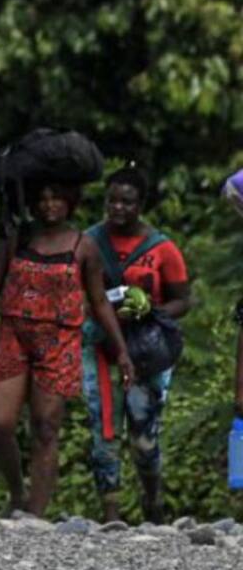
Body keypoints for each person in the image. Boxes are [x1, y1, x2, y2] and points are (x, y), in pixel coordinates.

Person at [0, 181, 134, 517]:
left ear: (70, 203)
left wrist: (122, 351)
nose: (49, 205)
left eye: (57, 198)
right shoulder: (16, 238)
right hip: (13, 334)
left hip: (59, 341)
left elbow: (99, 301)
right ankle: (16, 492)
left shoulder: (84, 247)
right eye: (42, 199)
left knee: (46, 427)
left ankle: (34, 514)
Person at [82, 166, 190, 523]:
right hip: (100, 345)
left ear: (141, 204)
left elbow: (183, 300)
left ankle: (152, 499)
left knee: (143, 435)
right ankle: (111, 513)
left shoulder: (162, 248)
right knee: (103, 428)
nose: (118, 208)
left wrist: (149, 310)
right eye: (112, 200)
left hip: (146, 349)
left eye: (127, 202)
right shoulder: (89, 242)